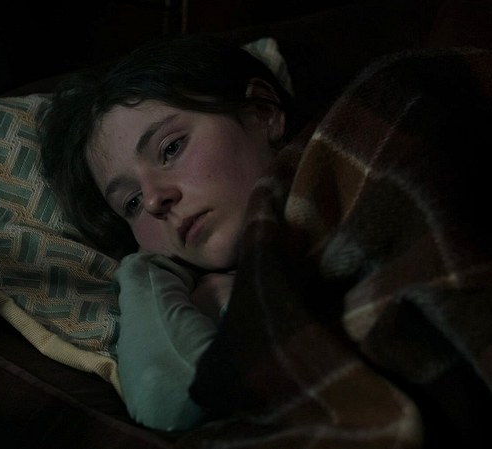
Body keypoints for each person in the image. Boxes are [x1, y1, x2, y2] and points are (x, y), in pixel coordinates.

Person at [40, 34, 307, 431]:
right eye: (131, 202)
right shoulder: (202, 302)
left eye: (170, 149)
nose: (153, 200)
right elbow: (166, 397)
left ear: (262, 113)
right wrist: (146, 274)